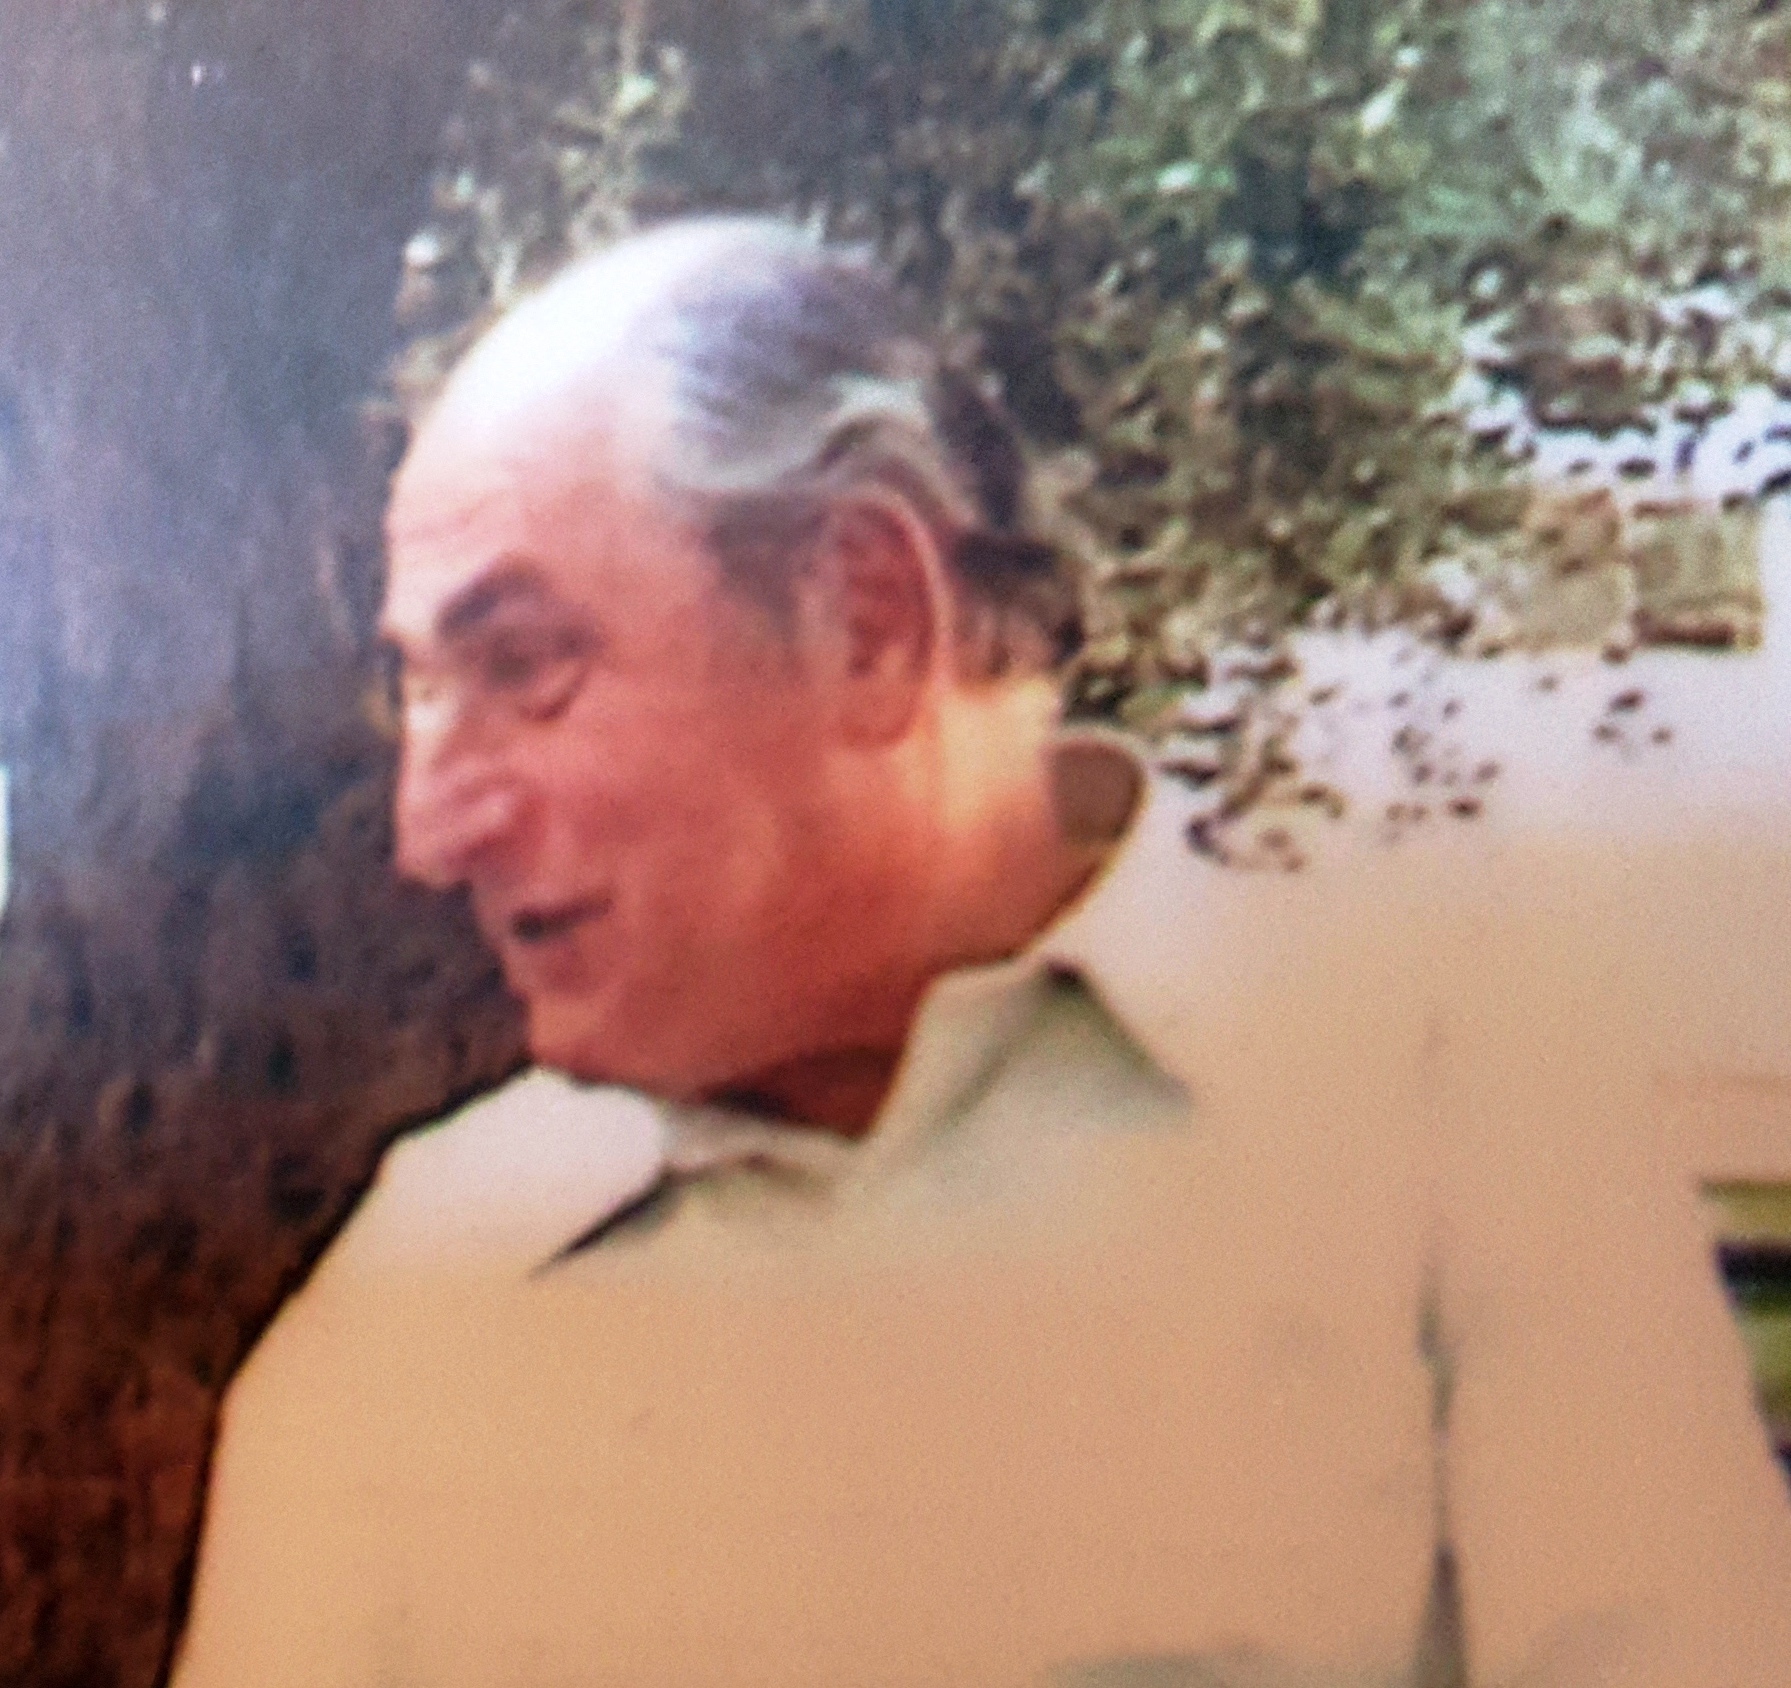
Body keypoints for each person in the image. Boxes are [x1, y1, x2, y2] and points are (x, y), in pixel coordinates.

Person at [169, 217, 1791, 1688]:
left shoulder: (1441, 1106)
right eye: (418, 696)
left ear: (868, 615)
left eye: (526, 667)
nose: (431, 832)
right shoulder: (425, 1278)